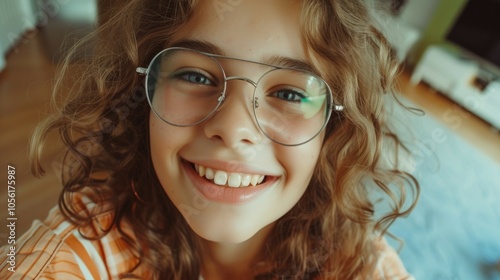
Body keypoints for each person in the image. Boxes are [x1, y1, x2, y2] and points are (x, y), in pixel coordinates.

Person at [0, 0, 419, 279]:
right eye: (195, 75)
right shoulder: (72, 252)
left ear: (334, 129)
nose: (234, 127)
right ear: (142, 91)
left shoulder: (362, 266)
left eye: (290, 93)